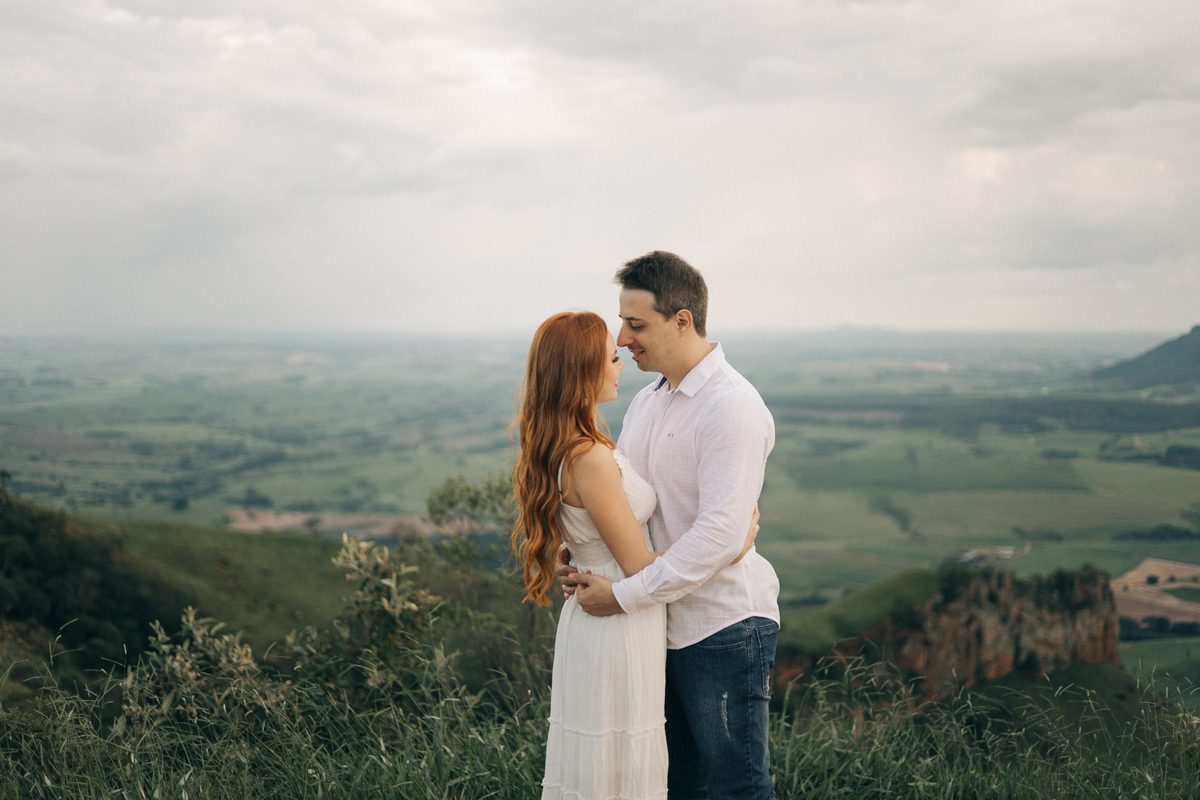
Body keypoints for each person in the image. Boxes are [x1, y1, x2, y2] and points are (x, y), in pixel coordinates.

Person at [511, 311, 760, 800]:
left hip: (609, 614)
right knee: (618, 768)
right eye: (610, 358)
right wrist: (736, 544)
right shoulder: (591, 457)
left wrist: (575, 549)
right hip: (618, 619)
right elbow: (638, 566)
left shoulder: (574, 447)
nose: (621, 363)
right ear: (583, 373)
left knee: (605, 767)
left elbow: (595, 527)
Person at [559, 251, 781, 800]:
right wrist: (580, 552)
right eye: (623, 322)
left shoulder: (731, 406)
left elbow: (718, 535)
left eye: (636, 324)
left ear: (682, 320)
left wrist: (626, 594)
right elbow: (629, 512)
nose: (623, 338)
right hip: (656, 628)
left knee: (734, 787)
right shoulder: (646, 403)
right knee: (675, 785)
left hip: (722, 626)